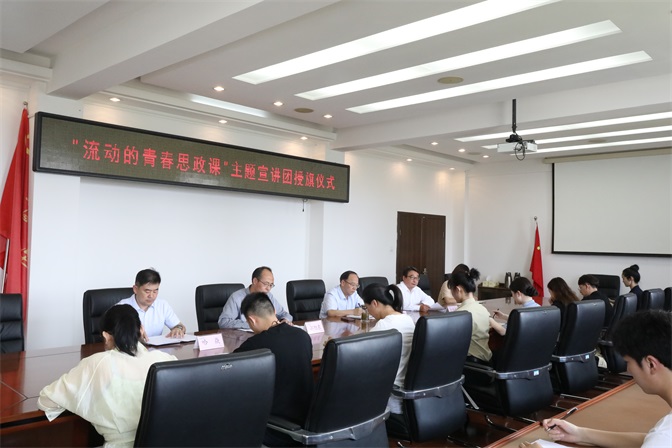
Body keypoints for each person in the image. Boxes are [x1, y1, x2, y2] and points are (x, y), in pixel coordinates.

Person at [522, 310, 672, 448]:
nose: (628, 369)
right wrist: (580, 434)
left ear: (651, 364)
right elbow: (648, 440)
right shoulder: (662, 436)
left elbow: (657, 439)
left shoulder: (663, 436)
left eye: (628, 362)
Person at [38, 304, 177, 447]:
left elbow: (47, 400)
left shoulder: (98, 363)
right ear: (142, 329)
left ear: (106, 336)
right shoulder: (165, 359)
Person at [234, 292, 313, 446]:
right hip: (307, 421)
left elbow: (231, 374)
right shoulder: (302, 336)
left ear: (252, 320)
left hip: (276, 429)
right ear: (274, 311)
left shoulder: (254, 345)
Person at [361, 283, 415, 431]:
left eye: (367, 307)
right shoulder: (407, 319)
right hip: (406, 390)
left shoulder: (384, 325)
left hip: (390, 395)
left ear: (374, 303)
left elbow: (362, 358)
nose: (369, 312)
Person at [117, 268, 186, 339]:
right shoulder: (121, 308)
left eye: (155, 291)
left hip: (156, 346)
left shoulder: (162, 305)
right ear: (135, 289)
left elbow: (180, 326)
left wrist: (178, 328)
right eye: (147, 291)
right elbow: (112, 337)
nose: (151, 296)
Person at [218, 266, 293, 329]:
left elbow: (284, 314)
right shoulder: (237, 297)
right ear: (255, 281)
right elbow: (223, 322)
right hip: (244, 338)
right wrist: (252, 325)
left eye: (271, 285)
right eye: (266, 284)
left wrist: (285, 320)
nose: (268, 288)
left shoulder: (268, 296)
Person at [448, 267, 492, 363]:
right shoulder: (483, 309)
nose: (452, 295)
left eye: (452, 291)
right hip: (486, 360)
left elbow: (450, 340)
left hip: (469, 363)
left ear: (458, 289)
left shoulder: (461, 314)